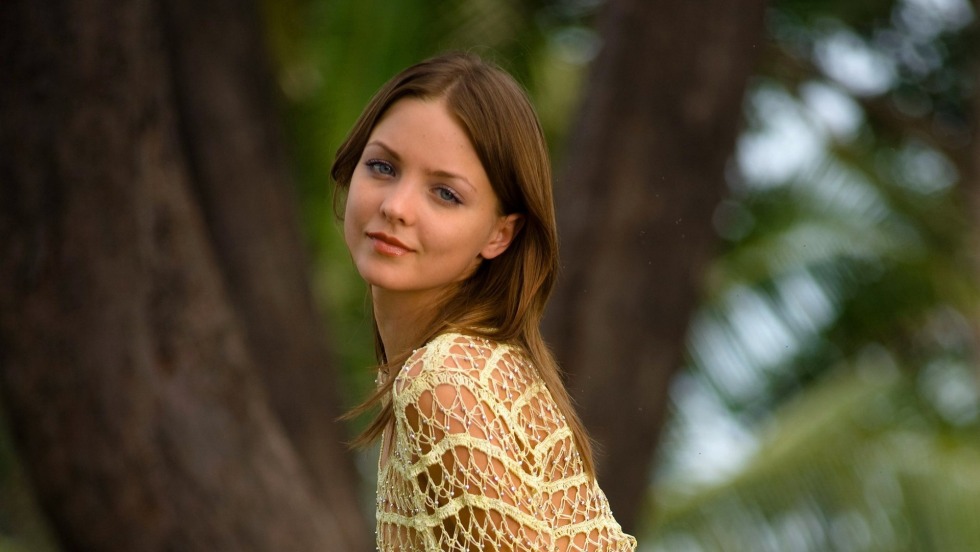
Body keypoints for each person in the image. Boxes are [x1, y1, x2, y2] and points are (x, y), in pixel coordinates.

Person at [332, 52, 637, 551]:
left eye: (445, 194)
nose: (396, 207)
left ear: (499, 233)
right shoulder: (478, 365)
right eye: (383, 166)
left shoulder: (443, 382)